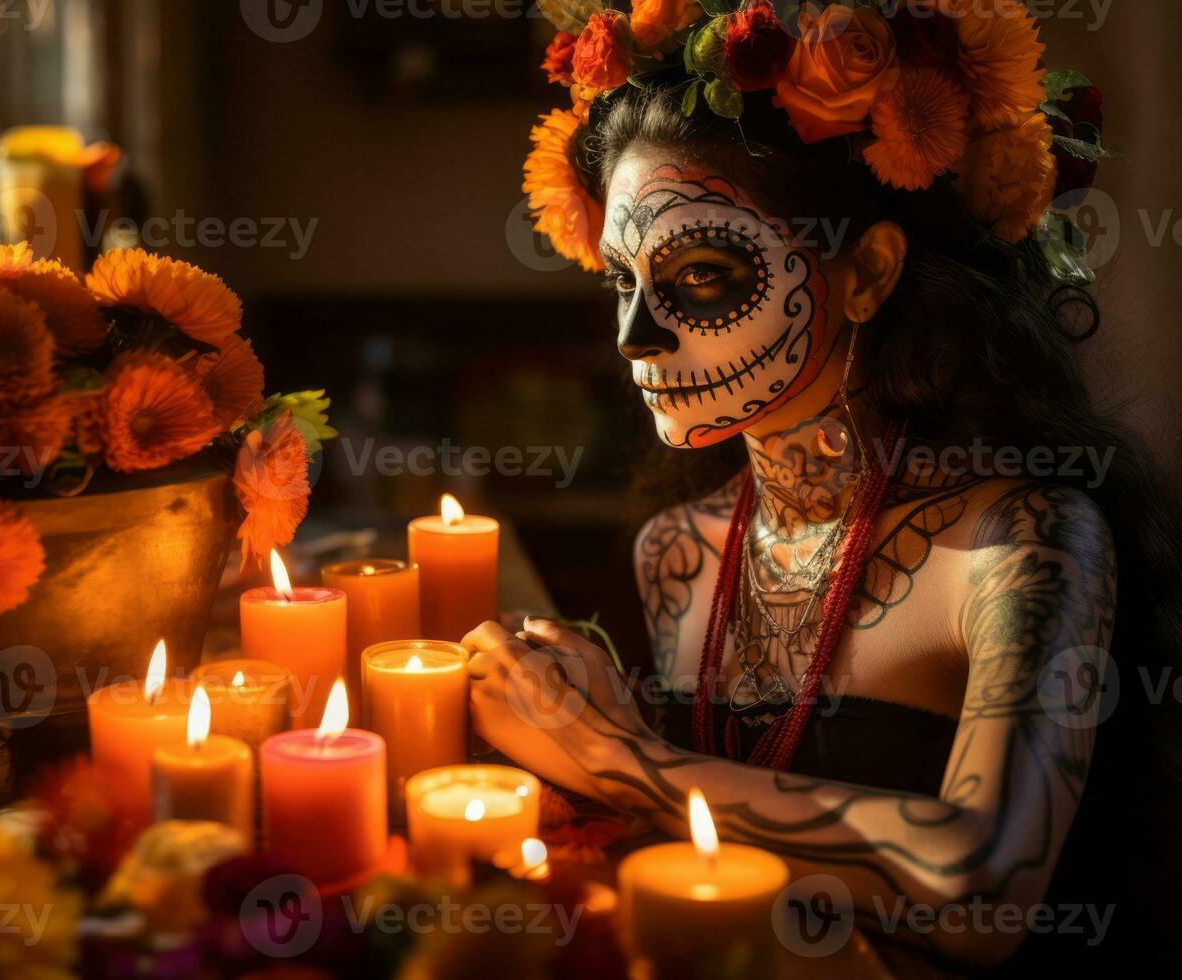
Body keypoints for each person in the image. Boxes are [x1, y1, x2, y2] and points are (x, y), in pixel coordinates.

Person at [469, 3, 1182, 971]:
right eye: (621, 282)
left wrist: (617, 758)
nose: (634, 334)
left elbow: (980, 886)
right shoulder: (676, 551)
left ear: (867, 273)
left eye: (702, 275)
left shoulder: (1024, 539)